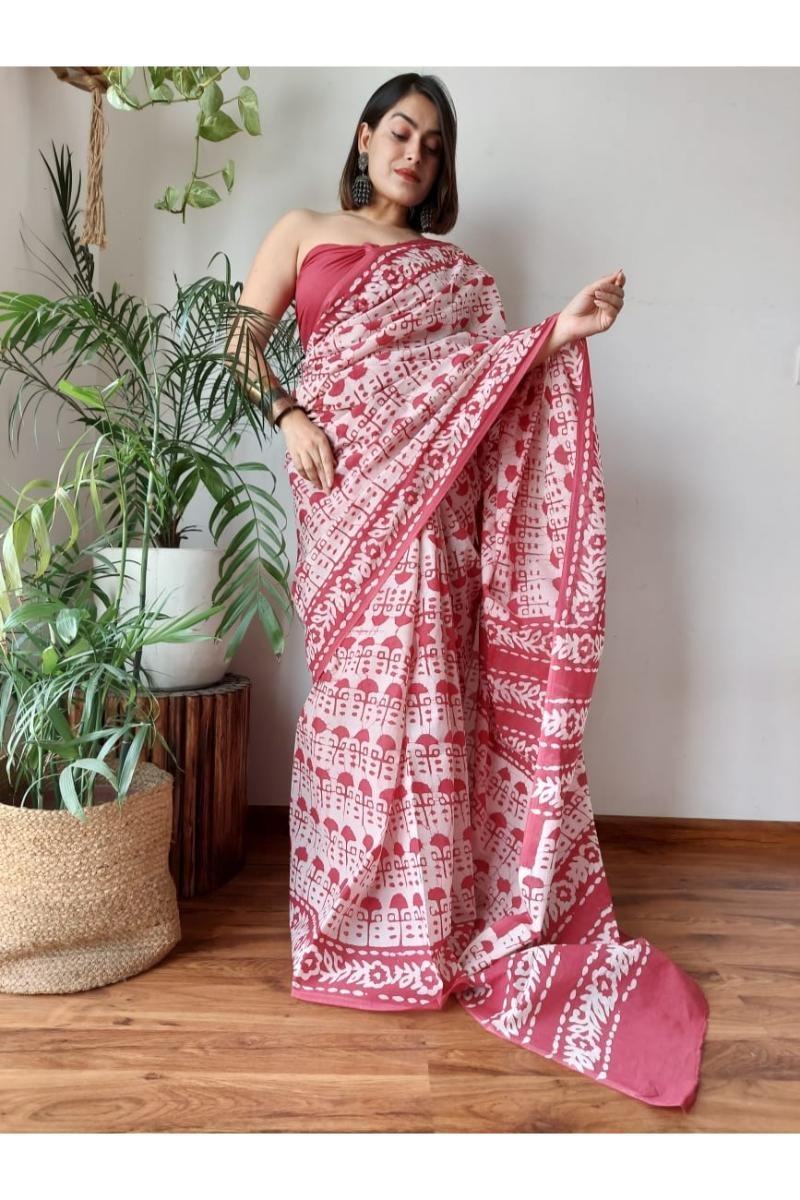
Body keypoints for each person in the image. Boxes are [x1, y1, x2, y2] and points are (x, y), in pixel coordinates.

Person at [234, 72, 708, 1111]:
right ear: (364, 136)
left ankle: (424, 926)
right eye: (401, 132)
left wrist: (559, 332)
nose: (415, 153)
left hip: (434, 514)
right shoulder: (302, 230)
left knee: (429, 705)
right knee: (355, 703)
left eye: (434, 144)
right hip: (343, 494)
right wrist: (289, 415)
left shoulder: (455, 275)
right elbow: (240, 343)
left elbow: (483, 383)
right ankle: (341, 921)